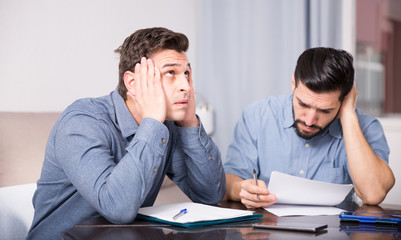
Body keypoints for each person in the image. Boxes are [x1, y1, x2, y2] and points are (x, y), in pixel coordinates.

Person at [27, 27, 225, 239]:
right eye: (170, 73)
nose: (185, 85)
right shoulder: (81, 122)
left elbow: (210, 195)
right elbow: (117, 208)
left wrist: (189, 122)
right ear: (132, 83)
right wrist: (152, 122)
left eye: (186, 73)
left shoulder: (167, 127)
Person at [223, 47, 395, 208]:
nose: (310, 120)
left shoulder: (366, 127)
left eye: (325, 110)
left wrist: (348, 116)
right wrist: (241, 190)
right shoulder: (257, 116)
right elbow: (229, 180)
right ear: (293, 83)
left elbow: (373, 194)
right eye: (303, 104)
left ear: (344, 100)